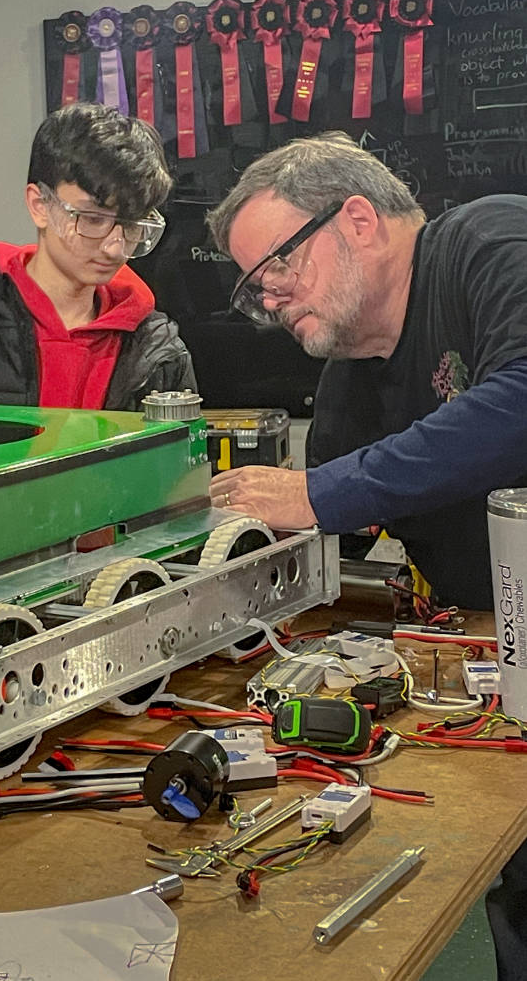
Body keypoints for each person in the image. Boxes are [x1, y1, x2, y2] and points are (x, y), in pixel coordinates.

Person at [205, 130, 527, 981]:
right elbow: (328, 532)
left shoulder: (487, 242)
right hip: (495, 673)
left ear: (357, 219)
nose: (269, 299)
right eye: (253, 289)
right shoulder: (352, 370)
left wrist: (321, 493)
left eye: (278, 264)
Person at [0, 103, 195, 414]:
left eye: (130, 224)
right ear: (40, 205)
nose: (115, 248)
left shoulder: (160, 351)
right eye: (93, 219)